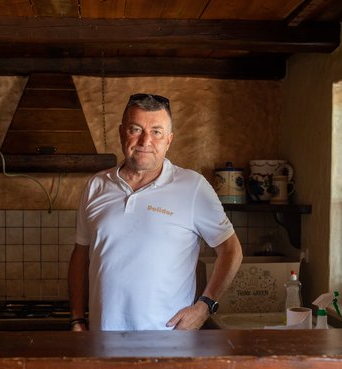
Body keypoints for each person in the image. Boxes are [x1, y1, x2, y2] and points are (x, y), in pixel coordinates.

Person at [68, 93, 243, 331]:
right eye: (136, 129)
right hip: (102, 340)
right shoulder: (96, 186)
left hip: (168, 342)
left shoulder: (193, 187)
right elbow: (80, 255)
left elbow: (231, 250)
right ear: (121, 133)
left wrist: (204, 306)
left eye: (156, 132)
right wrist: (77, 318)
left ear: (169, 140)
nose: (145, 141)